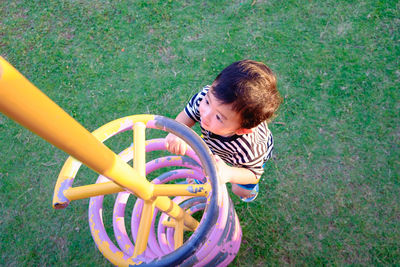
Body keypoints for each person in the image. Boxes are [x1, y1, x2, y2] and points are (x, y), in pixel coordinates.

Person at [165, 59, 282, 202]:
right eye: (208, 102)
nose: (205, 115)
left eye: (219, 117)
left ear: (241, 130)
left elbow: (253, 173)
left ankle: (249, 191)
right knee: (204, 158)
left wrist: (229, 173)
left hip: (245, 162)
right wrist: (177, 132)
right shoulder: (208, 98)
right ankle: (202, 178)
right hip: (215, 145)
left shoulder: (251, 148)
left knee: (239, 190)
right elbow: (186, 115)